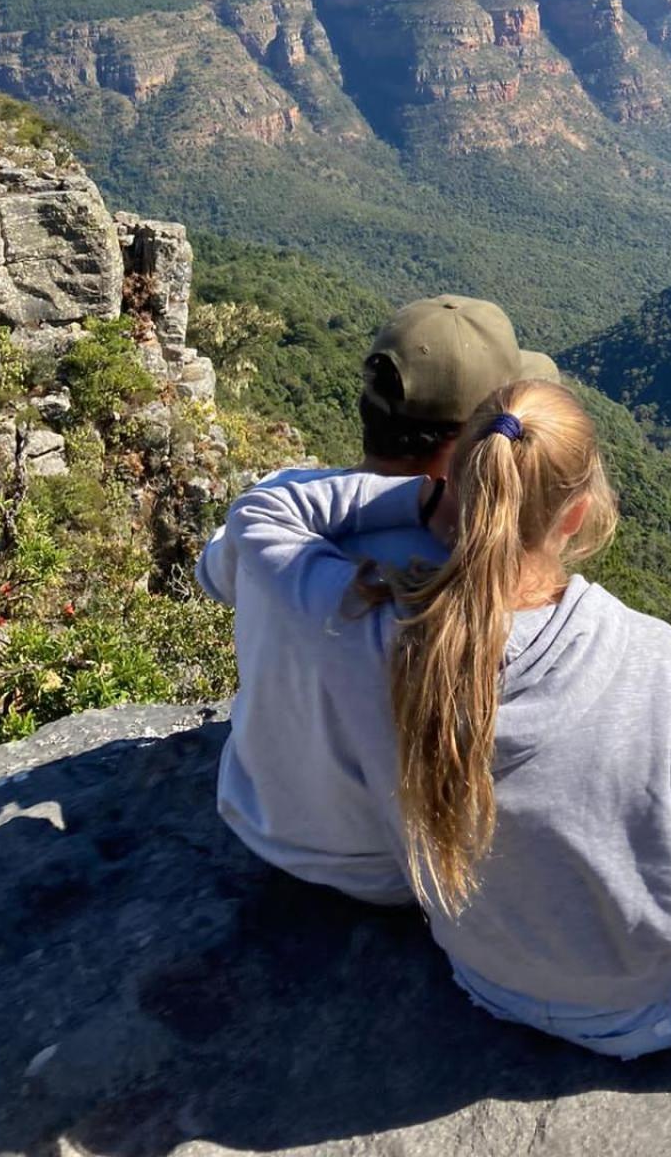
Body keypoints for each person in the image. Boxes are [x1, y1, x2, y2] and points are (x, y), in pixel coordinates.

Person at [211, 377, 671, 1057]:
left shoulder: (351, 626)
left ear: (454, 487)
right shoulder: (650, 663)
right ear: (577, 515)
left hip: (485, 978)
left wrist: (420, 504)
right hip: (652, 1005)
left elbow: (264, 509)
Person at [196, 293, 556, 902]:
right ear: (479, 445)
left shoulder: (280, 509)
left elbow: (215, 578)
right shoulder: (485, 575)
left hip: (257, 815)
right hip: (402, 870)